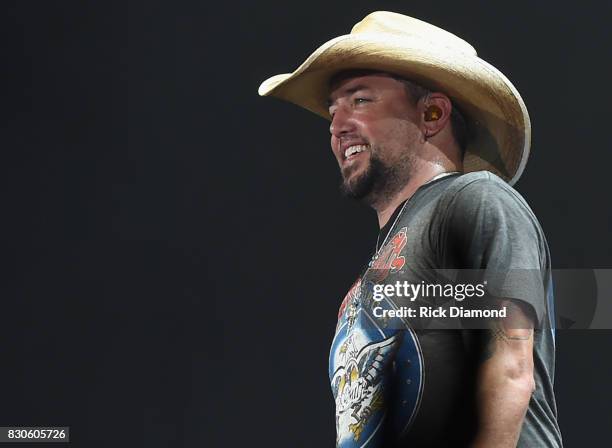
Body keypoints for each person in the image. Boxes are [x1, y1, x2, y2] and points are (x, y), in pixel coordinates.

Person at [259, 11, 562, 448]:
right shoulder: (374, 271)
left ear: (433, 113)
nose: (336, 125)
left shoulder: (474, 200)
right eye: (332, 109)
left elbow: (511, 369)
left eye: (360, 100)